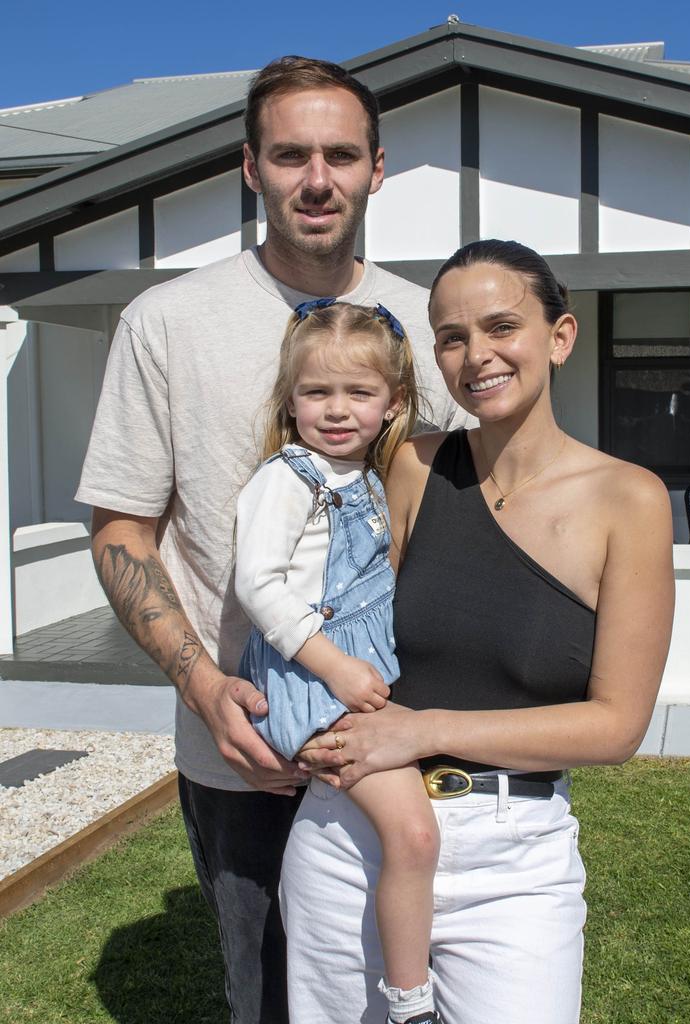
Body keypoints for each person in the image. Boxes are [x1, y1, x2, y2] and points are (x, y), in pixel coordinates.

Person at [75, 57, 467, 1024]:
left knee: (412, 985)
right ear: (251, 168)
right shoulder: (166, 323)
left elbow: (473, 513)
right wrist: (203, 687)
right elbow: (123, 525)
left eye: (340, 153)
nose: (317, 178)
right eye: (291, 154)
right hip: (244, 748)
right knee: (273, 998)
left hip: (406, 729)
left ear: (379, 167)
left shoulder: (434, 322)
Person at [282, 239, 676, 1024]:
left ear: (560, 336)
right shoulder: (408, 468)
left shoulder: (628, 501)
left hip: (514, 858)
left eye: (503, 326)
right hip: (352, 836)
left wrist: (422, 729)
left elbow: (617, 726)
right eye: (453, 336)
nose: (477, 355)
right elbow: (327, 617)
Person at [236, 299, 441, 1024]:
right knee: (414, 832)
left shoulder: (367, 479)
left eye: (359, 392)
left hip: (347, 676)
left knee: (395, 836)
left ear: (392, 404)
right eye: (317, 391)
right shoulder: (286, 481)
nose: (337, 409)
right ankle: (412, 1000)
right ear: (290, 403)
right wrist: (335, 668)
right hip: (314, 684)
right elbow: (257, 584)